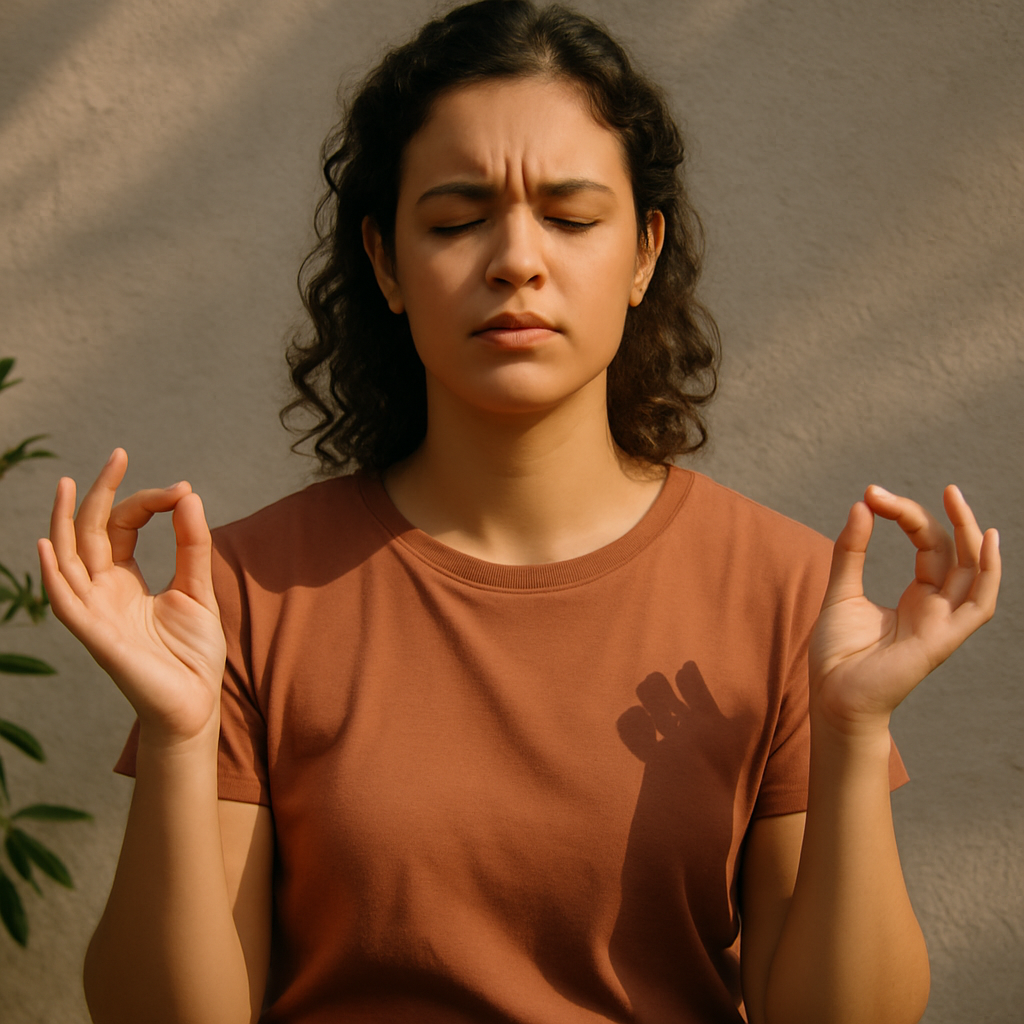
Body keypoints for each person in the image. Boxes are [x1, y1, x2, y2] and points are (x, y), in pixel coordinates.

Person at [38, 2, 1000, 1023]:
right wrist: (179, 739)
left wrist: (851, 735)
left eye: (572, 217)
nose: (516, 261)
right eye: (455, 221)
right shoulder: (239, 594)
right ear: (384, 262)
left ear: (641, 254)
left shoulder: (791, 595)